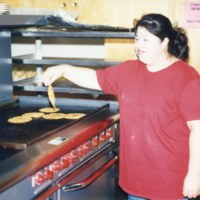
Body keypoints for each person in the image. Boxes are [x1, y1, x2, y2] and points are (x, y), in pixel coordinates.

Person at [43, 13, 200, 200]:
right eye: (137, 39)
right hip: (135, 180)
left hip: (170, 182)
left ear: (164, 42)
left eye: (146, 40)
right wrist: (64, 69)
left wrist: (194, 175)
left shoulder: (186, 78)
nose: (139, 46)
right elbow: (96, 78)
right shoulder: (128, 70)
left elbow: (197, 129)